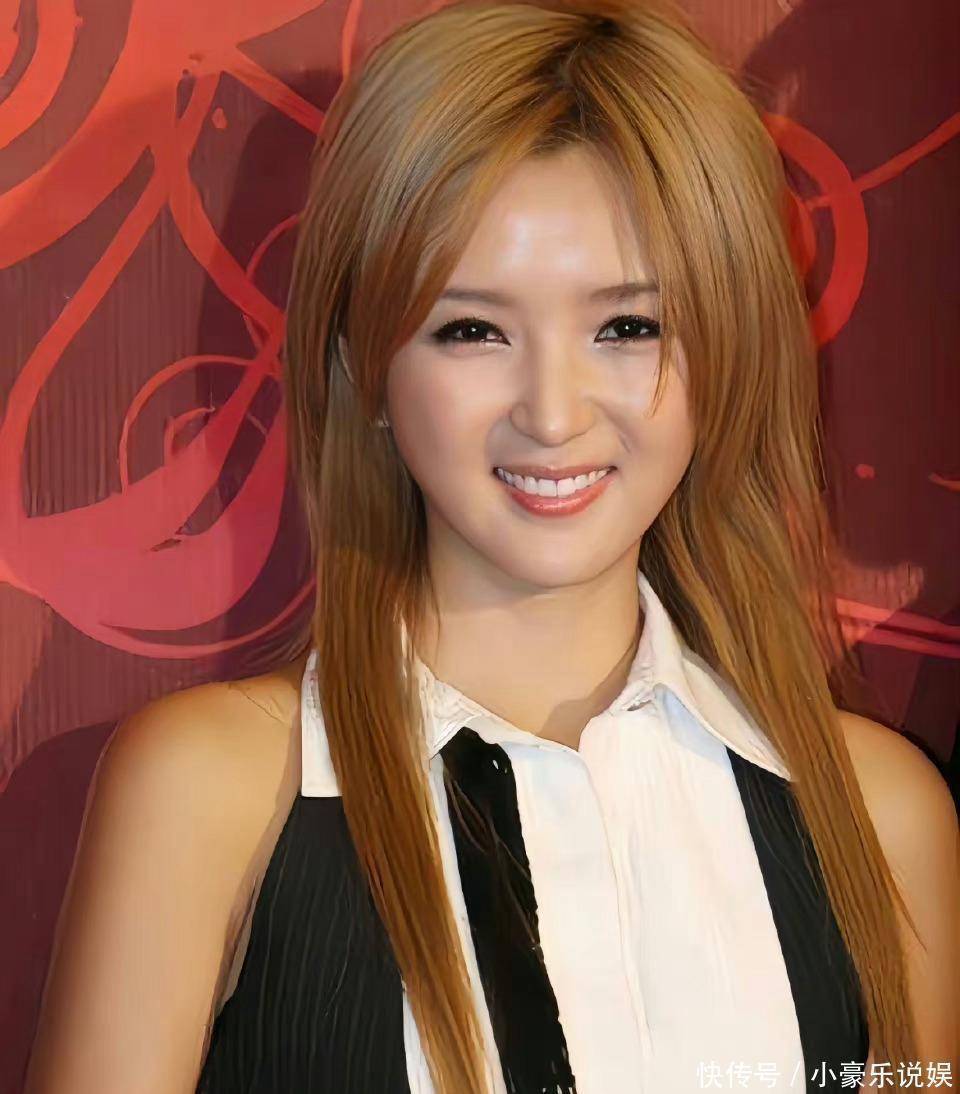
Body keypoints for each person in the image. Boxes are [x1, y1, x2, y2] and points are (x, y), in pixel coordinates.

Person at [24, 1, 958, 1091]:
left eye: (629, 327)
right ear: (364, 364)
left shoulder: (879, 815)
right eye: (472, 330)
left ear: (730, 351)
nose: (553, 414)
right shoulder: (211, 793)